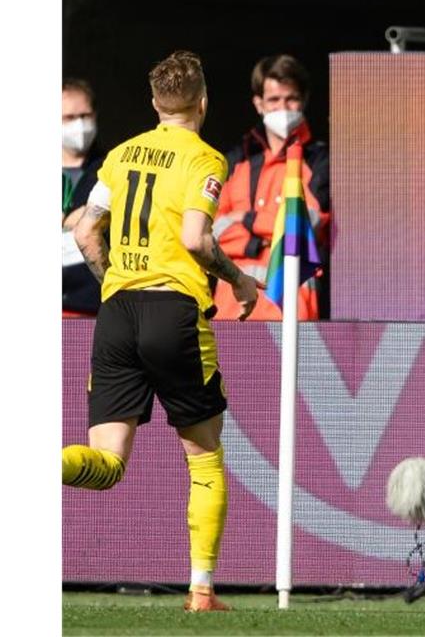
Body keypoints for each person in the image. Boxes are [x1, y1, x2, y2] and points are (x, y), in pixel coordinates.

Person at [62, 50, 262, 612]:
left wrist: (113, 283)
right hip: (173, 313)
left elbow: (84, 232)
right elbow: (198, 239)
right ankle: (201, 590)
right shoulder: (205, 158)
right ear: (203, 102)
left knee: (108, 465)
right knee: (203, 459)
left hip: (117, 312)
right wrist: (240, 280)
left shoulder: (121, 154)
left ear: (154, 105)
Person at [211, 54, 330, 320]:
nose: (283, 107)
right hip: (231, 310)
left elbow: (301, 229)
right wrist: (260, 241)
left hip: (292, 314)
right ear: (258, 103)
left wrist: (246, 219)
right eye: (274, 100)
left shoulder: (320, 161)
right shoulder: (236, 160)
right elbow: (210, 231)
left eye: (291, 99)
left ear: (304, 101)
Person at [62, 78, 107, 315]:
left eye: (85, 116)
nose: (79, 125)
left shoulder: (110, 167)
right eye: (69, 118)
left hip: (92, 305)